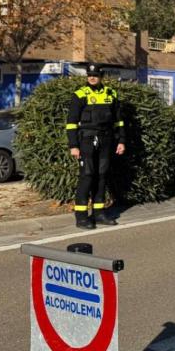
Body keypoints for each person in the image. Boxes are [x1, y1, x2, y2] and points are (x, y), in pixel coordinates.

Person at [66, 63, 126, 229]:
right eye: (90, 75)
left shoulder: (111, 94)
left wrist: (121, 140)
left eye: (95, 75)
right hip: (86, 140)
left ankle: (99, 213)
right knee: (87, 176)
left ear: (101, 76)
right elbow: (71, 123)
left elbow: (119, 121)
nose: (92, 77)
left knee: (102, 175)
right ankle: (81, 216)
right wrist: (73, 145)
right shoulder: (80, 94)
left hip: (106, 140)